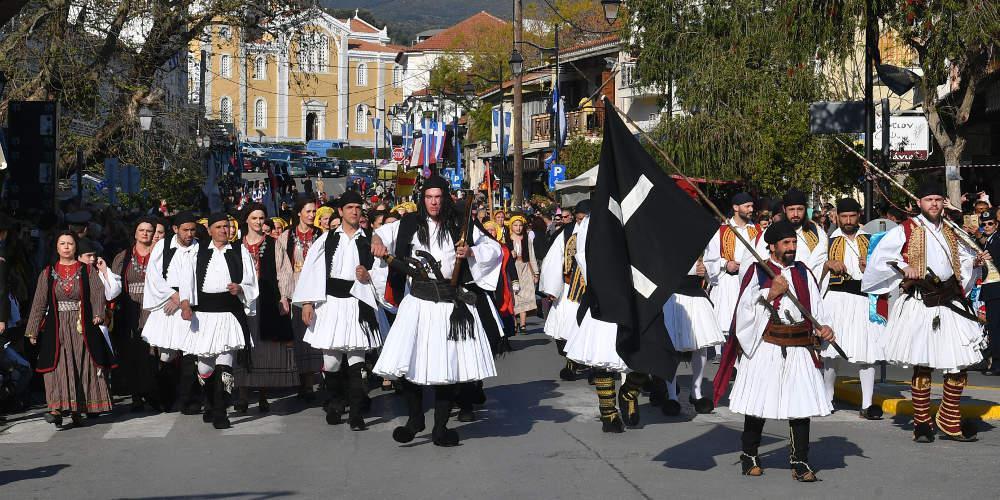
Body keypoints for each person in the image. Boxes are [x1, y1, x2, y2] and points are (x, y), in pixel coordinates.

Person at [370, 176, 501, 447]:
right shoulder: (408, 223)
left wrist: (472, 251)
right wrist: (377, 241)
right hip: (417, 302)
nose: (433, 202)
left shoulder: (460, 223)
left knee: (445, 368)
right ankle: (415, 419)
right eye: (429, 197)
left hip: (448, 304)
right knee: (407, 366)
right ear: (423, 198)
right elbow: (382, 234)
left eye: (438, 197)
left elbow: (495, 249)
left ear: (445, 198)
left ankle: (440, 428)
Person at [862, 182, 991, 442]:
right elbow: (881, 258)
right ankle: (922, 422)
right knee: (922, 365)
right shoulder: (905, 229)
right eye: (928, 199)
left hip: (950, 300)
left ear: (944, 202)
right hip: (921, 301)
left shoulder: (952, 230)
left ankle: (949, 417)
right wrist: (902, 267)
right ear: (919, 203)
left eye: (937, 199)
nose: (933, 204)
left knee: (958, 364)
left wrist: (973, 263)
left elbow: (959, 263)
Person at [726, 220, 835, 481]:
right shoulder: (758, 270)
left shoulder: (804, 272)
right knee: (758, 404)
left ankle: (800, 461)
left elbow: (817, 310)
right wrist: (770, 292)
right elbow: (744, 311)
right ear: (772, 246)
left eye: (794, 243)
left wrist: (824, 329)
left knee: (800, 406)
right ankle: (749, 455)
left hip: (799, 345)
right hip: (768, 344)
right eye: (786, 243)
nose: (791, 247)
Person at [293, 191, 384, 430]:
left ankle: (356, 413)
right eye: (350, 207)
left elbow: (383, 269)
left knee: (357, 361)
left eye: (358, 207)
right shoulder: (327, 239)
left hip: (358, 303)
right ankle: (335, 401)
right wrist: (308, 302)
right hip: (331, 304)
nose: (355, 211)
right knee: (331, 362)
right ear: (341, 211)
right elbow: (312, 270)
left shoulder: (370, 239)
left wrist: (369, 275)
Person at [25, 231, 115, 427]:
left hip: (81, 325)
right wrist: (32, 329)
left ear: (76, 247)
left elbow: (98, 293)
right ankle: (55, 409)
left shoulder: (86, 271)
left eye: (70, 244)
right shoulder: (48, 272)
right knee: (56, 365)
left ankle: (77, 409)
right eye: (62, 243)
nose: (66, 247)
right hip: (56, 326)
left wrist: (98, 313)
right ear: (56, 247)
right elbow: (39, 302)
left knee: (80, 363)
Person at [178, 213, 258, 429]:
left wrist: (240, 288)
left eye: (228, 226)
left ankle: (222, 410)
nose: (225, 230)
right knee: (204, 367)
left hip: (229, 313)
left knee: (225, 364)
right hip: (203, 314)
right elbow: (186, 281)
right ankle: (210, 403)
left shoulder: (240, 251)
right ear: (211, 229)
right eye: (220, 226)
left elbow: (251, 281)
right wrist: (186, 305)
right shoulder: (197, 252)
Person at [819, 198, 885, 419]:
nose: (848, 221)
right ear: (837, 217)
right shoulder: (827, 241)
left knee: (866, 353)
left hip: (863, 298)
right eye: (844, 216)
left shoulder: (872, 241)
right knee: (831, 352)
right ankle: (827, 398)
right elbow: (813, 272)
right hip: (836, 300)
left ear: (859, 216)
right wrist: (828, 265)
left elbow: (887, 273)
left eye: (852, 216)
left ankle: (867, 404)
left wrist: (872, 269)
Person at [233, 204, 298, 414]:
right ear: (246, 221)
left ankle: (262, 395)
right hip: (242, 302)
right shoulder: (235, 246)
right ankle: (242, 395)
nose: (259, 222)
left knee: (262, 347)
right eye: (254, 218)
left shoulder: (273, 244)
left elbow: (284, 272)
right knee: (242, 345)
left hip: (266, 299)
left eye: (262, 218)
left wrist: (284, 297)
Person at [662, 244, 725, 415]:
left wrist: (705, 270)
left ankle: (696, 392)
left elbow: (713, 263)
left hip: (696, 293)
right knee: (672, 346)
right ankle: (671, 395)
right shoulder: (664, 236)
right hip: (673, 294)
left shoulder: (700, 235)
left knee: (701, 344)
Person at [275, 197, 324, 400]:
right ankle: (303, 381)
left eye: (314, 212)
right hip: (295, 290)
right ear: (298, 213)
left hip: (317, 291)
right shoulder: (285, 237)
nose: (312, 215)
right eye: (308, 212)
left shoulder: (321, 235)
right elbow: (281, 268)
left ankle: (316, 378)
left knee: (317, 336)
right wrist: (283, 295)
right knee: (299, 337)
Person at [538, 201, 591, 381]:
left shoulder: (600, 233)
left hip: (593, 289)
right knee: (566, 328)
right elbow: (554, 259)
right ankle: (571, 363)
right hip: (570, 288)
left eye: (585, 219)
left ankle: (595, 368)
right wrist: (552, 288)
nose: (581, 222)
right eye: (579, 219)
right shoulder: (566, 233)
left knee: (590, 329)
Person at [707, 193, 762, 340]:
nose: (751, 209)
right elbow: (709, 258)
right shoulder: (722, 230)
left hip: (750, 284)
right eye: (747, 206)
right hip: (728, 284)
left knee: (748, 329)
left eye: (752, 206)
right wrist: (726, 264)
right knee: (726, 329)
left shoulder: (758, 231)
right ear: (736, 207)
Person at [759, 189, 828, 279]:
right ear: (784, 209)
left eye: (800, 209)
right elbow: (762, 264)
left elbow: (820, 261)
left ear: (805, 209)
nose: (795, 214)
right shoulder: (772, 232)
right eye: (791, 209)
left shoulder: (816, 232)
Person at [507, 214, 538, 333]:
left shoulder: (527, 239)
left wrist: (536, 273)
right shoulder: (507, 239)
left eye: (520, 225)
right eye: (515, 225)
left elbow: (532, 256)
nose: (518, 228)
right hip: (512, 268)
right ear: (511, 226)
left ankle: (523, 324)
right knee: (514, 295)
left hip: (524, 267)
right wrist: (510, 253)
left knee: (524, 294)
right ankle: (514, 323)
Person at [980, 209, 1000, 375]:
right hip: (992, 289)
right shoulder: (989, 240)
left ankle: (997, 364)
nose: (986, 226)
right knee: (993, 326)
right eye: (984, 224)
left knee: (996, 327)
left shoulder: (997, 239)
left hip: (997, 290)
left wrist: (993, 260)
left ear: (996, 224)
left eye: (990, 223)